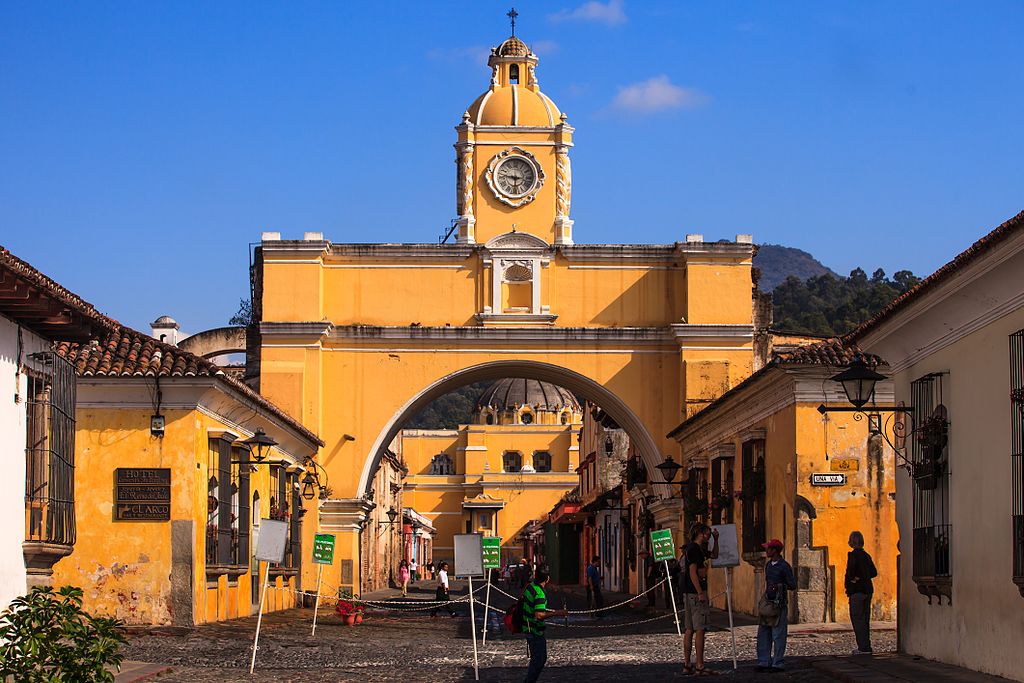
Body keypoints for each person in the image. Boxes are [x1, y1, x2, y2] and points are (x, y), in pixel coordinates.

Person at [681, 523, 720, 676]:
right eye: (708, 533)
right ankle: (699, 665)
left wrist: (716, 540)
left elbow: (715, 555)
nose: (709, 535)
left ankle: (687, 665)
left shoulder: (697, 549)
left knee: (689, 629)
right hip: (696, 593)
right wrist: (700, 592)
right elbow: (692, 572)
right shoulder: (694, 549)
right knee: (700, 629)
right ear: (701, 533)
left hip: (689, 593)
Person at [756, 539, 797, 673]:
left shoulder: (784, 566)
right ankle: (764, 661)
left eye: (768, 549)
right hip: (768, 603)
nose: (766, 551)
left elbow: (792, 585)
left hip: (779, 604)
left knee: (778, 634)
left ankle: (778, 662)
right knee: (763, 632)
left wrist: (779, 586)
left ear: (774, 551)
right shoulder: (768, 565)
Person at [521, 568, 568, 683]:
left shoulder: (530, 586)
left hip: (527, 626)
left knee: (538, 659)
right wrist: (558, 613)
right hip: (535, 630)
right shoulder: (539, 594)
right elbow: (539, 615)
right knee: (539, 660)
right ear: (547, 578)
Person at [845, 530, 878, 655]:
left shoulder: (853, 555)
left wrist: (855, 579)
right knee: (865, 619)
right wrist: (865, 576)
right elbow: (874, 572)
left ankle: (863, 647)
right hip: (868, 590)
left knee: (857, 619)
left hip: (857, 591)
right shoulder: (866, 555)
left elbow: (851, 573)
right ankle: (866, 645)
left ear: (852, 542)